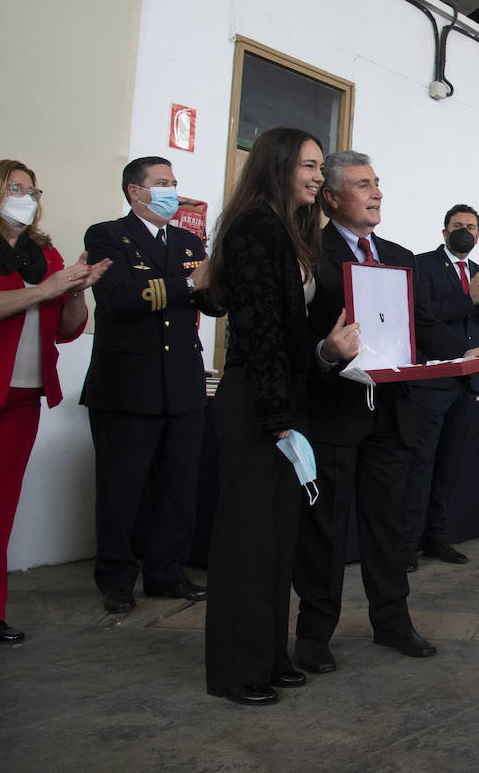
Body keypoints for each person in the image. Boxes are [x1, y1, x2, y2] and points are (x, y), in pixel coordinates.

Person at [292, 151, 471, 678]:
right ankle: (314, 633)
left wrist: (463, 353)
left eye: (378, 184)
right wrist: (325, 351)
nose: (377, 194)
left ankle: (392, 622)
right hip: (333, 412)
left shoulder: (398, 256)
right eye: (364, 184)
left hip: (392, 414)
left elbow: (420, 324)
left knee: (389, 527)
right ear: (331, 196)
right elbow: (293, 332)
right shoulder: (309, 250)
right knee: (325, 529)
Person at [203, 127, 347, 706]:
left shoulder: (290, 231)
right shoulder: (257, 228)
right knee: (249, 541)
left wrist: (323, 352)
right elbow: (259, 332)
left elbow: (290, 334)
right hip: (260, 403)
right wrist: (277, 414)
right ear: (280, 165)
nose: (319, 176)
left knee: (278, 540)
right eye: (311, 166)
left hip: (283, 398)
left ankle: (269, 654)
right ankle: (237, 670)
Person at [0, 160, 108, 658]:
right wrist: (45, 289)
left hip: (23, 395)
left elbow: (67, 327)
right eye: (14, 187)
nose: (25, 195)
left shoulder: (44, 254)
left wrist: (77, 292)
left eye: (31, 188)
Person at [82, 156, 219, 615]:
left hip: (181, 384)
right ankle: (117, 580)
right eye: (161, 183)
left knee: (179, 488)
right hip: (127, 386)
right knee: (122, 490)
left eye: (175, 183)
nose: (171, 191)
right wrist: (189, 282)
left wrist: (221, 280)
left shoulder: (187, 240)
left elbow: (213, 303)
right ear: (133, 192)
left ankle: (167, 573)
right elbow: (121, 296)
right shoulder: (107, 235)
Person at [405, 205, 479, 569]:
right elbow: (422, 314)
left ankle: (436, 534)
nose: (463, 231)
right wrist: (467, 300)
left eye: (470, 227)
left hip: (466, 383)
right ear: (444, 232)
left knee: (449, 465)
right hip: (431, 380)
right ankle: (406, 542)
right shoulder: (422, 265)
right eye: (457, 226)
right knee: (421, 463)